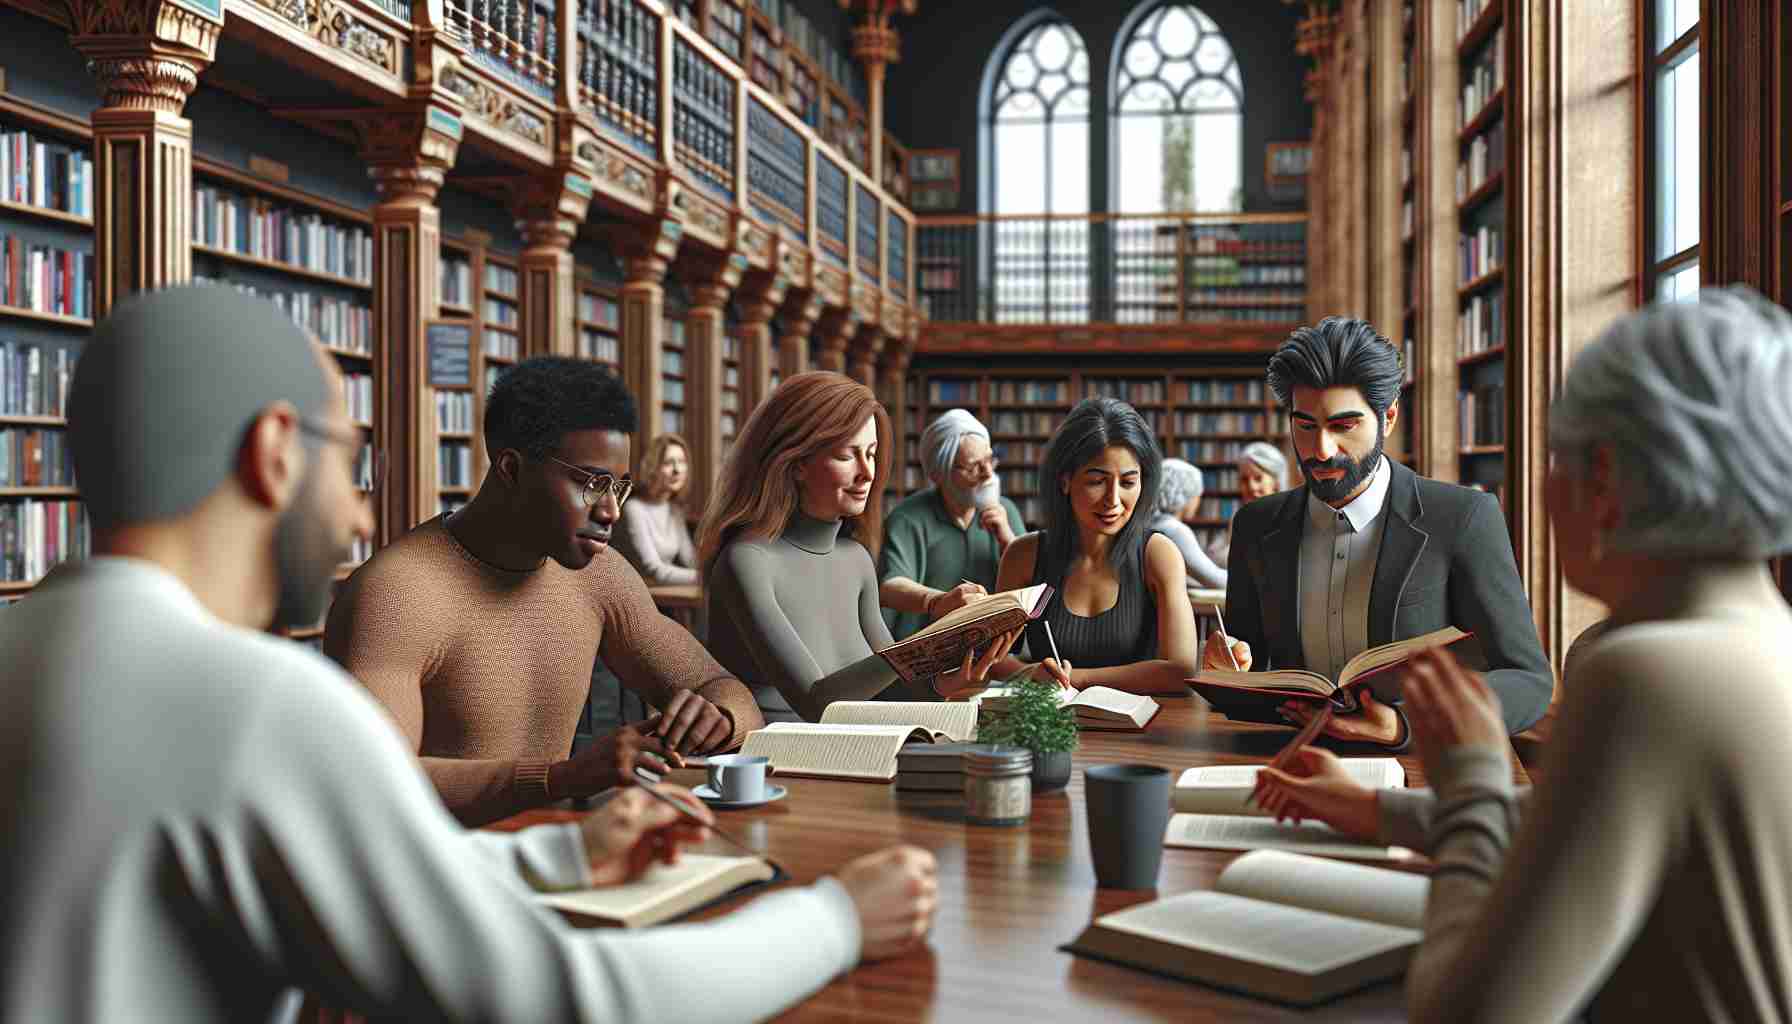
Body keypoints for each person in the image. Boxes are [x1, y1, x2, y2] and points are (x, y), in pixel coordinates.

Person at [0, 286, 938, 1022]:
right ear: (275, 452)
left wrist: (560, 856)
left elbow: (341, 858)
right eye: (350, 461)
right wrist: (837, 919)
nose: (361, 513)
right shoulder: (254, 702)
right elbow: (570, 997)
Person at [1251, 288, 1792, 1021]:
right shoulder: (1760, 637)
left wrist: (1470, 771)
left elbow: (1467, 1014)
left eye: (1554, 457)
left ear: (1600, 480)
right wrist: (1381, 811)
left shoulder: (1641, 673)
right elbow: (1572, 827)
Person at [325, 358, 764, 827]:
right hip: (437, 874)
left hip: (558, 857)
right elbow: (380, 783)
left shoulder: (601, 577)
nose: (612, 510)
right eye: (592, 483)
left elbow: (731, 695)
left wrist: (718, 718)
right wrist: (563, 778)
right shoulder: (395, 596)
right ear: (511, 468)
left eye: (618, 486)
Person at [1203, 317, 1552, 748]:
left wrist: (1406, 725)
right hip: (1290, 763)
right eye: (1305, 426)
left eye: (1343, 426)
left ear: (1387, 418)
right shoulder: (1257, 526)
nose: (1321, 450)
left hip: (1420, 771)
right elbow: (1246, 683)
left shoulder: (1463, 518)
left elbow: (1529, 681)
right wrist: (1224, 671)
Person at [699, 372, 1019, 722]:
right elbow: (816, 701)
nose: (868, 473)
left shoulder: (856, 558)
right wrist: (933, 636)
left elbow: (888, 688)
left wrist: (944, 683)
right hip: (778, 757)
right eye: (847, 456)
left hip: (855, 740)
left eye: (871, 453)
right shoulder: (746, 561)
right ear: (797, 463)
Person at [991, 397, 1201, 695]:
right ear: (1065, 480)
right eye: (1097, 481)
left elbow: (1180, 671)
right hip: (1048, 720)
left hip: (1143, 729)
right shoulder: (1024, 556)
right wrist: (1031, 672)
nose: (1113, 500)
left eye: (1128, 483)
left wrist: (1077, 679)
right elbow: (992, 659)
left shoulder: (1158, 554)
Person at [879, 408, 1026, 640]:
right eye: (972, 466)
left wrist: (1008, 541)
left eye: (989, 460)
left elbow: (1032, 584)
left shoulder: (1005, 510)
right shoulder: (908, 517)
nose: (988, 474)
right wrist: (938, 601)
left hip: (996, 648)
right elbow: (889, 587)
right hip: (928, 651)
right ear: (938, 474)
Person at [613, 431, 699, 585]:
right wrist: (705, 578)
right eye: (668, 463)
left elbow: (690, 560)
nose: (677, 470)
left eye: (681, 462)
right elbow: (653, 570)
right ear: (652, 468)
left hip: (665, 596)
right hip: (636, 597)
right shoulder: (634, 509)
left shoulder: (673, 510)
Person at [1149, 458, 1227, 588]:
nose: (1198, 501)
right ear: (1186, 493)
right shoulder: (1174, 530)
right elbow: (1216, 580)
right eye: (1197, 494)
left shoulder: (1151, 523)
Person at [1211, 440, 1290, 568]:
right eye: (1244, 479)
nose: (1251, 487)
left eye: (1258, 478)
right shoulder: (1240, 517)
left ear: (1276, 481)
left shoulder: (1289, 516)